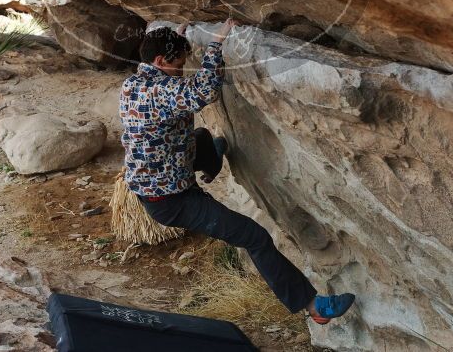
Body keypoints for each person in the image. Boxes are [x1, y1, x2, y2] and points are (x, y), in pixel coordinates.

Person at [119, 18, 355, 324]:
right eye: (177, 64)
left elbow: (170, 79)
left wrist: (177, 38)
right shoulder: (160, 93)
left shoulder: (134, 83)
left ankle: (211, 162)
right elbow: (204, 91)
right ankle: (313, 306)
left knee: (203, 139)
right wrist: (216, 44)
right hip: (172, 201)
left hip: (159, 172)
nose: (181, 68)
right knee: (254, 237)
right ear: (160, 61)